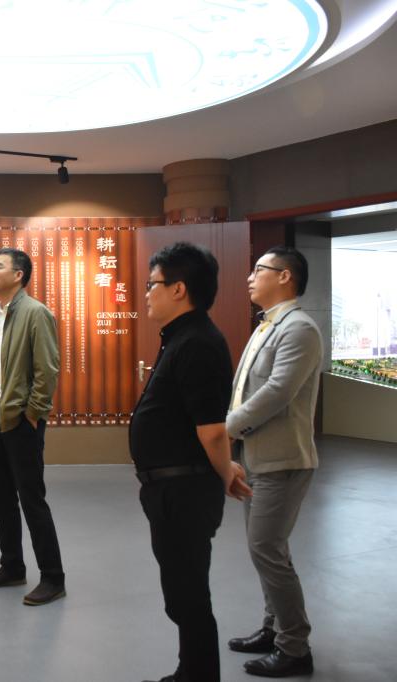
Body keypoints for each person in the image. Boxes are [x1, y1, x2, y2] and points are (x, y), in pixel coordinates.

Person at [130, 242, 252, 682]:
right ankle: (190, 672)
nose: (147, 293)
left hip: (184, 492)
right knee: (182, 592)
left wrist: (226, 471)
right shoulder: (182, 337)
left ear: (178, 289)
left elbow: (213, 430)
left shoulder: (198, 342)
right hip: (171, 490)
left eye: (153, 284)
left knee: (189, 596)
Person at [226, 246, 322, 678]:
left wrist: (227, 427)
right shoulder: (267, 325)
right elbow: (244, 388)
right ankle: (274, 627)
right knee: (267, 549)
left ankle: (295, 647)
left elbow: (277, 392)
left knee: (266, 548)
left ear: (285, 276)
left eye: (258, 270)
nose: (250, 277)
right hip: (257, 456)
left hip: (283, 459)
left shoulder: (299, 328)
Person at [0, 248, 65, 606]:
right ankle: (12, 566)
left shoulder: (36, 313)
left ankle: (53, 577)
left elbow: (47, 369)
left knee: (31, 499)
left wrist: (33, 413)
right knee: (1, 498)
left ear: (19, 274)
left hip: (21, 420)